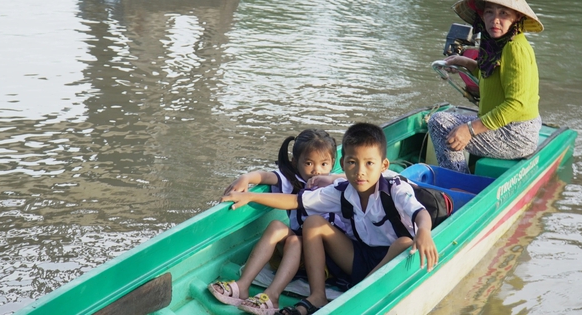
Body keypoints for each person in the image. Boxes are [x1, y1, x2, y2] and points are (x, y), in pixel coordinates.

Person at [222, 122, 438, 315]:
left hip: (390, 256)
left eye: (369, 164)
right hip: (357, 256)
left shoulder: (395, 189)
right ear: (343, 164)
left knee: (405, 242)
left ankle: (360, 291)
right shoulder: (342, 190)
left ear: (383, 166)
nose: (360, 172)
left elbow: (420, 213)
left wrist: (424, 232)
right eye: (353, 162)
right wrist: (251, 195)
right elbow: (297, 201)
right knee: (313, 222)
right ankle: (318, 295)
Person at [207, 129, 344, 315]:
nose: (316, 170)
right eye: (309, 163)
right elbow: (264, 176)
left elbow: (345, 181)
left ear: (333, 164)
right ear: (295, 163)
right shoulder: (293, 180)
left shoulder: (333, 185)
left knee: (295, 240)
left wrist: (252, 197)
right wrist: (245, 178)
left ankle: (272, 296)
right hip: (297, 248)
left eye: (324, 164)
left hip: (323, 257)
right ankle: (242, 285)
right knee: (276, 227)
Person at [427, 0, 544, 173]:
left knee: (441, 124)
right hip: (504, 125)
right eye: (490, 12)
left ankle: (458, 180)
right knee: (442, 119)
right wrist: (465, 62)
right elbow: (490, 77)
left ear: (516, 17)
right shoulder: (497, 43)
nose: (495, 20)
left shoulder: (515, 48)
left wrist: (469, 130)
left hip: (516, 133)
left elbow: (516, 104)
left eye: (503, 13)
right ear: (482, 15)